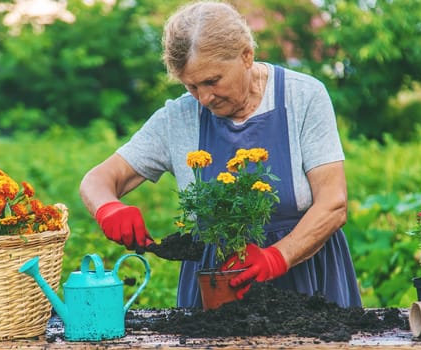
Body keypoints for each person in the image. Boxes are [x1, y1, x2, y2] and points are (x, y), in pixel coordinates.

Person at [80, 0, 362, 308]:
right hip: (216, 289)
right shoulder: (179, 118)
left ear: (246, 56)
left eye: (213, 81)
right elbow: (97, 180)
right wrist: (108, 208)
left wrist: (275, 257)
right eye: (191, 87)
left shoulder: (303, 97)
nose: (204, 98)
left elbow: (333, 204)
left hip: (308, 280)